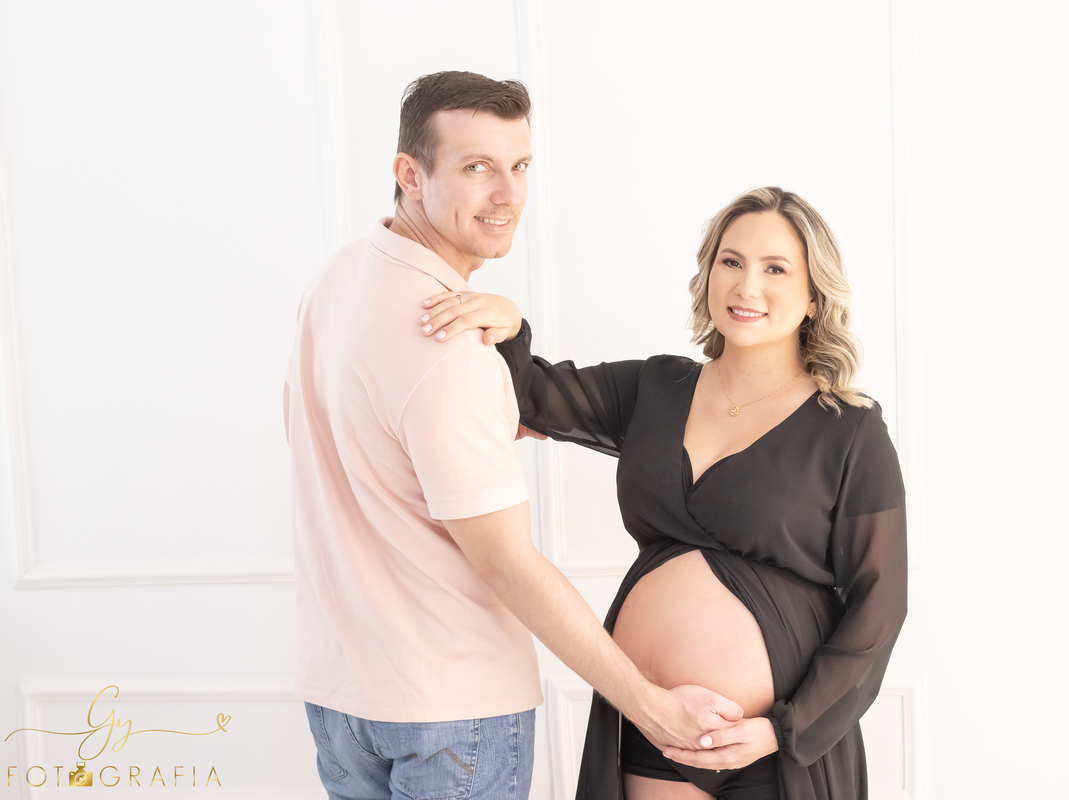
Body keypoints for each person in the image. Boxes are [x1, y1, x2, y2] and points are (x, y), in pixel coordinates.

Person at [284, 71, 741, 800]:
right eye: (476, 167)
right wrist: (650, 706)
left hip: (342, 701)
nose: (507, 194)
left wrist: (512, 342)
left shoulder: (339, 280)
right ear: (410, 174)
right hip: (447, 712)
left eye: (519, 165)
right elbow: (506, 562)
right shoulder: (447, 344)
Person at [422, 187, 908, 800]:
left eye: (775, 269)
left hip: (774, 746)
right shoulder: (656, 387)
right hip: (654, 729)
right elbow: (531, 396)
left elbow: (879, 607)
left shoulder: (850, 429)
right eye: (731, 261)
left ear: (814, 296)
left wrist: (783, 730)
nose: (746, 286)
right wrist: (510, 326)